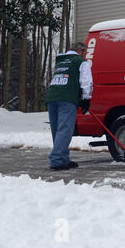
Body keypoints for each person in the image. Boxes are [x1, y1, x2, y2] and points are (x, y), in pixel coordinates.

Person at [45, 42, 93, 171]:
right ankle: (56, 160)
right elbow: (86, 81)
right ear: (80, 51)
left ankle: (63, 159)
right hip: (67, 97)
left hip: (52, 97)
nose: (85, 55)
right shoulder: (81, 61)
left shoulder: (61, 61)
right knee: (65, 129)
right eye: (85, 52)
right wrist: (86, 99)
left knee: (57, 130)